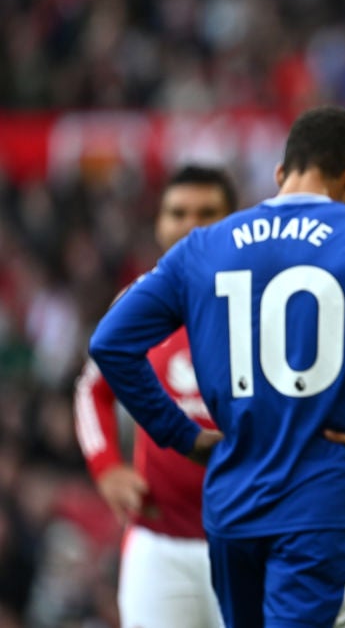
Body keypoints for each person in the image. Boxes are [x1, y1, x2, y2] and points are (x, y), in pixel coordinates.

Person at [87, 105, 345, 628]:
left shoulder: (203, 246)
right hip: (324, 505)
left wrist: (180, 434)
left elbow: (110, 343)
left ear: (280, 174)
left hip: (232, 508)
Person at [74, 164, 238, 628]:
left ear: (236, 222)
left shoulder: (266, 304)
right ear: (159, 223)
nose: (191, 224)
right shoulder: (139, 307)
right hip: (159, 542)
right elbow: (92, 390)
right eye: (178, 212)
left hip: (253, 539)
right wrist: (106, 467)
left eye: (207, 212)